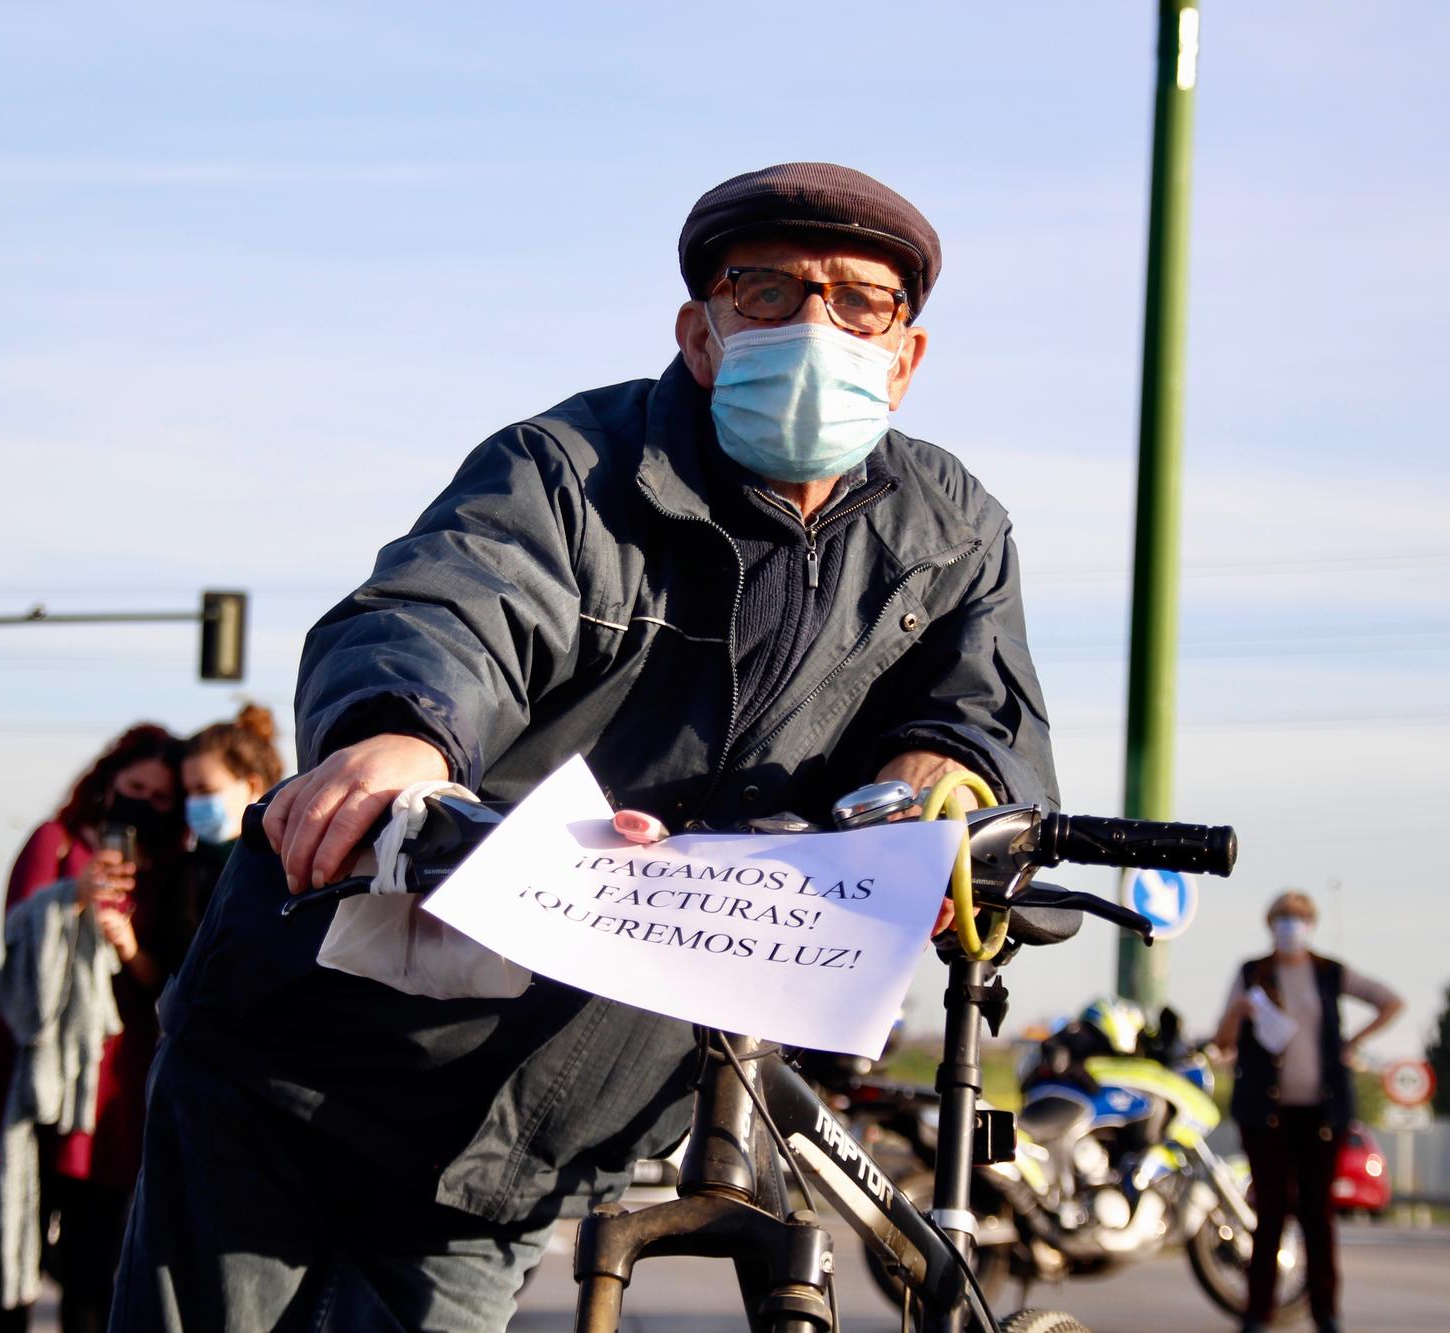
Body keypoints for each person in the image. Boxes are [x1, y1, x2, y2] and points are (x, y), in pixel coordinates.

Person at [112, 161, 1056, 1332]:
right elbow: (452, 602)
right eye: (763, 290)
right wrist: (402, 733)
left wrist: (940, 782)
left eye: (858, 299)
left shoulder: (953, 529)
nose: (815, 323)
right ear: (700, 333)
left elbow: (976, 709)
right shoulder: (566, 468)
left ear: (905, 356)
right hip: (304, 1060)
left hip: (541, 1126)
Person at [0, 723, 185, 1332]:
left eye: (161, 796)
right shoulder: (54, 841)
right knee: (12, 1241)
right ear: (109, 779)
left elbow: (164, 976)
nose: (144, 800)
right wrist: (71, 898)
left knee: (94, 1258)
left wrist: (129, 943)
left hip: (110, 1077)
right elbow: (16, 933)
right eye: (136, 785)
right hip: (27, 1064)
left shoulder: (169, 869)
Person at [1210, 890, 1403, 1333]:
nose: (1290, 926)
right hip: (1267, 1113)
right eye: (1283, 918)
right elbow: (1223, 1043)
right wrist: (1239, 1013)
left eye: (1298, 918)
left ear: (1311, 924)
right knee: (1271, 1212)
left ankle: (1325, 1310)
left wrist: (1355, 1042)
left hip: (1321, 1111)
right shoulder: (1253, 972)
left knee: (1318, 1213)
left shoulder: (1328, 972)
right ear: (1270, 924)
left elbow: (1390, 1000)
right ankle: (1258, 1311)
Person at [172, 702, 286, 959]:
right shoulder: (187, 870)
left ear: (251, 785)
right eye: (188, 792)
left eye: (206, 790)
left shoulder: (287, 860)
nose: (194, 802)